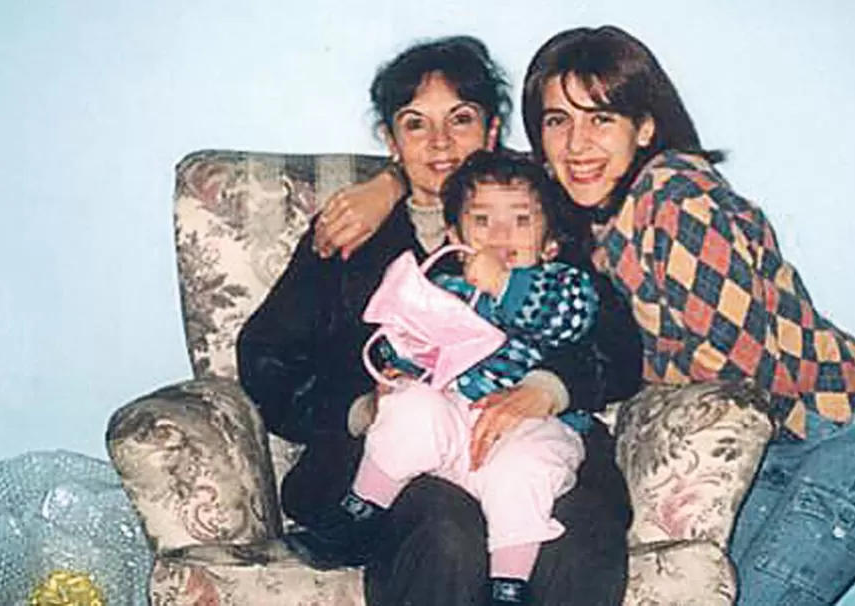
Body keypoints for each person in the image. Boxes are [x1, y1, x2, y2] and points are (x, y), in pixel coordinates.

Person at [316, 25, 855, 606]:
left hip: (843, 430)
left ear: (644, 127)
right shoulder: (581, 201)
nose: (577, 144)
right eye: (558, 121)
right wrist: (389, 183)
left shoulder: (677, 197)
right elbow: (467, 173)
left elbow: (735, 367)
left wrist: (562, 383)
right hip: (771, 446)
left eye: (601, 119)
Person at [237, 35, 642, 606]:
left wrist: (546, 389)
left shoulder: (534, 217)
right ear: (390, 140)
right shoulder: (353, 228)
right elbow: (266, 356)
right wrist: (362, 407)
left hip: (532, 439)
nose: (441, 143)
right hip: (399, 452)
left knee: (577, 536)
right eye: (416, 125)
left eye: (461, 119)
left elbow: (615, 344)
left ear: (492, 130)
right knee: (447, 530)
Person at [313, 149, 618, 606]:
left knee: (524, 473)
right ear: (454, 236)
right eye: (482, 221)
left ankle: (508, 584)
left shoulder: (564, 285)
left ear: (550, 243)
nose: (499, 236)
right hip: (454, 423)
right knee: (410, 407)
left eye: (520, 221)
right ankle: (360, 513)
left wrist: (504, 284)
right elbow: (407, 339)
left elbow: (567, 321)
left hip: (529, 429)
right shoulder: (444, 289)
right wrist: (401, 362)